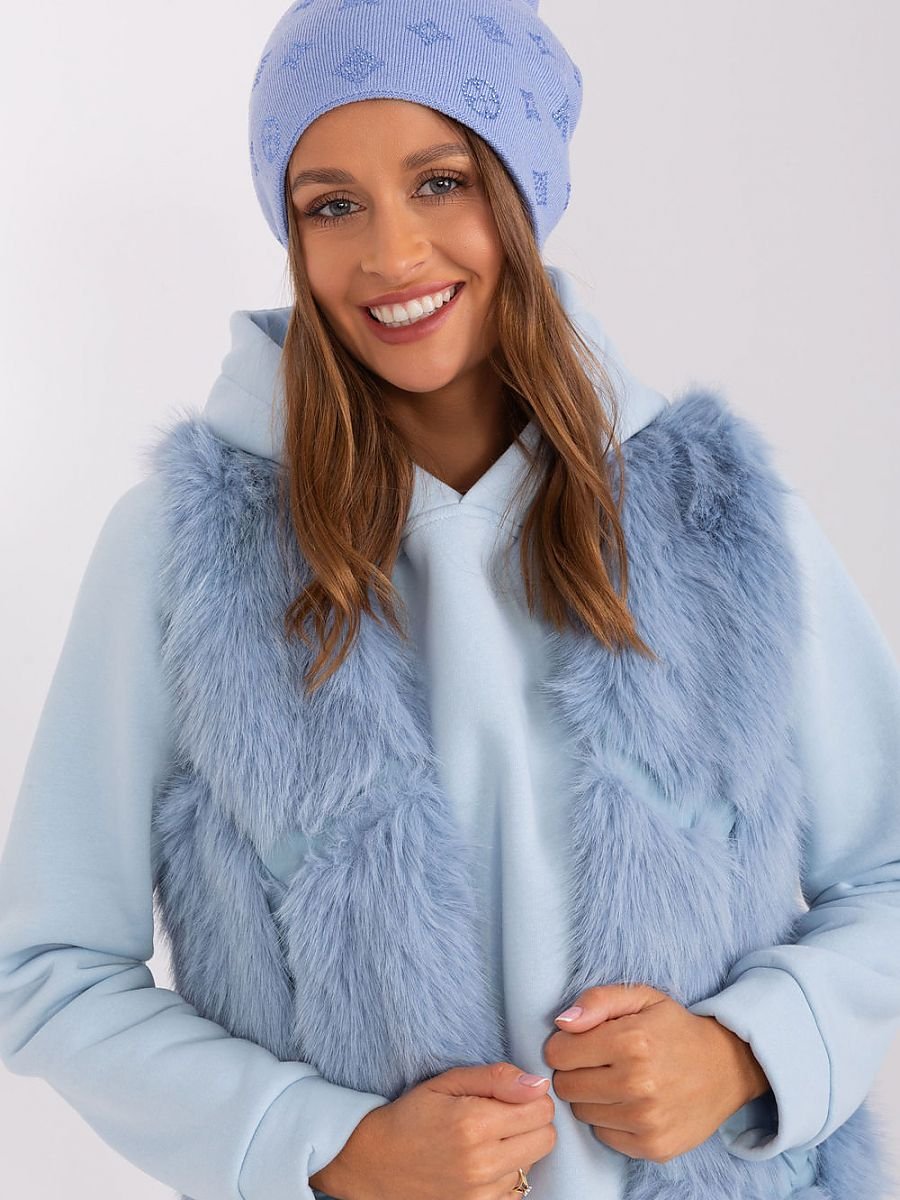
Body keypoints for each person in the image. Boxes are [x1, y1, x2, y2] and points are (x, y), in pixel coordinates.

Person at [1, 2, 899, 1199]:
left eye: (440, 182)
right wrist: (329, 1148)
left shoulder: (719, 516)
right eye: (332, 205)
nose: (392, 254)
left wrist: (744, 1053)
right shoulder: (185, 549)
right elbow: (50, 968)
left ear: (522, 192)